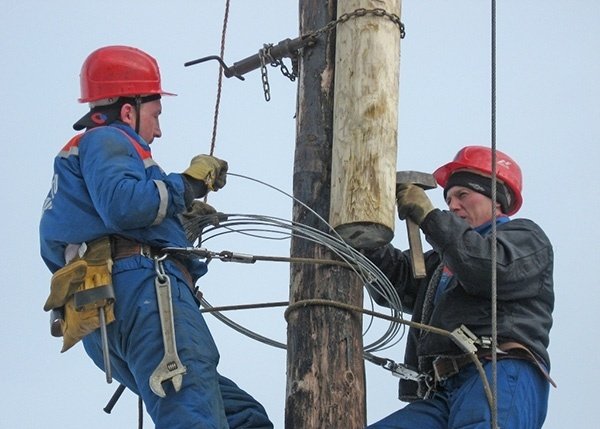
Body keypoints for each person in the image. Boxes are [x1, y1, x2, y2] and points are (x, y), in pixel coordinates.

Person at [40, 45, 273, 429]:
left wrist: (176, 220)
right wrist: (188, 184)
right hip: (144, 292)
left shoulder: (75, 167)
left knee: (243, 417)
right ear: (129, 111)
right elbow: (123, 204)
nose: (159, 130)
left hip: (104, 310)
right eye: (155, 114)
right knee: (192, 416)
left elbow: (96, 228)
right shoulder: (107, 140)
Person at [365, 146, 554, 429]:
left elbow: (486, 270)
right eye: (448, 198)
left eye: (463, 195)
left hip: (497, 371)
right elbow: (395, 283)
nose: (452, 205)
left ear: (497, 199)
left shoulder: (525, 238)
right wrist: (362, 239)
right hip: (442, 391)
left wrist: (430, 218)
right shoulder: (441, 262)